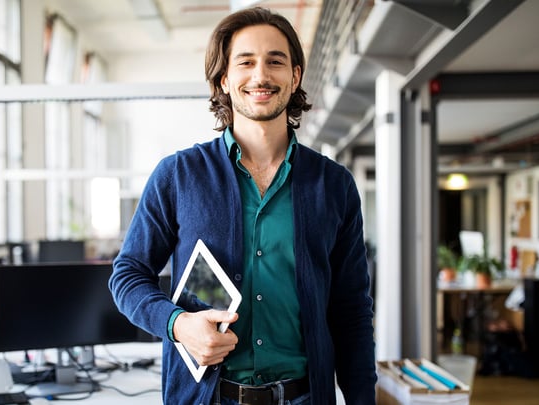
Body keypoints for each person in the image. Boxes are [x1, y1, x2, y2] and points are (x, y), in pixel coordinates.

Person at [110, 6, 376, 405]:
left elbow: (352, 311)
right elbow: (127, 276)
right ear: (225, 79)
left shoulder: (334, 185)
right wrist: (178, 324)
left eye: (275, 61)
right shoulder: (178, 176)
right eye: (246, 62)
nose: (261, 76)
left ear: (296, 76)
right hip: (209, 398)